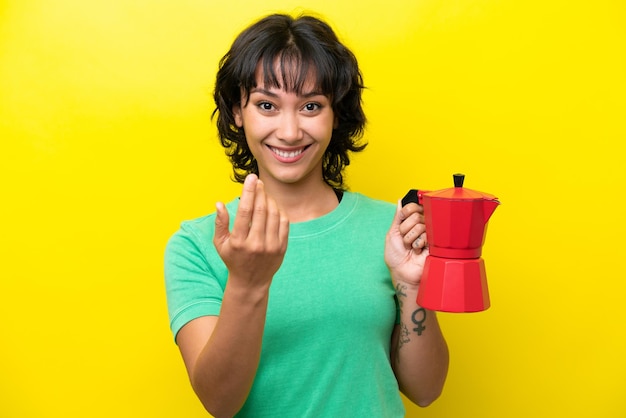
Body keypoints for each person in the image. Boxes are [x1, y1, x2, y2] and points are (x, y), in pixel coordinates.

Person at [164, 12, 449, 418]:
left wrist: (410, 284)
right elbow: (219, 402)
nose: (291, 130)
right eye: (267, 105)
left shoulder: (393, 232)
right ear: (236, 111)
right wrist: (247, 283)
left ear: (336, 115)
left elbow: (426, 389)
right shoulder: (195, 246)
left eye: (311, 106)